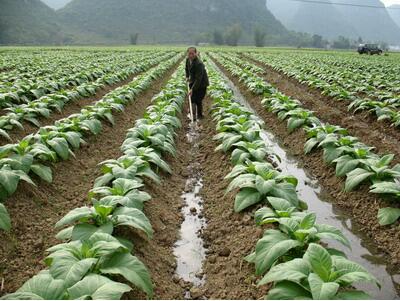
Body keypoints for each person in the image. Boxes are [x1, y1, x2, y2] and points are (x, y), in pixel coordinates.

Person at [185, 46, 209, 121]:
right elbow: (186, 69)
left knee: (198, 99)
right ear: (187, 54)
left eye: (192, 54)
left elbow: (199, 79)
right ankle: (193, 115)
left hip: (201, 83)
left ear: (196, 53)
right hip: (193, 80)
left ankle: (200, 115)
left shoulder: (199, 64)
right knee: (192, 99)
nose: (191, 55)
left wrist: (192, 89)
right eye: (189, 54)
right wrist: (187, 76)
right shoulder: (187, 60)